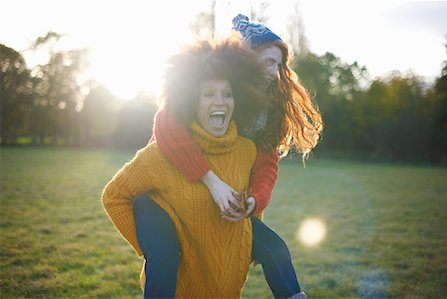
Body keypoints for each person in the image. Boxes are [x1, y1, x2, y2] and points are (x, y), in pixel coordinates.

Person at [102, 36, 307, 299]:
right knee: (164, 254)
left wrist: (251, 209)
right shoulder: (164, 142)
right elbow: (114, 196)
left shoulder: (248, 147)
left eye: (227, 94)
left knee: (275, 248)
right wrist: (150, 247)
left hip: (220, 274)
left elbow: (263, 174)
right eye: (208, 94)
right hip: (163, 218)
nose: (273, 70)